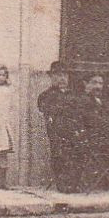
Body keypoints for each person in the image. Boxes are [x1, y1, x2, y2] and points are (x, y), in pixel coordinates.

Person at [36, 61, 78, 193]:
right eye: (58, 75)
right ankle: (62, 183)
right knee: (59, 152)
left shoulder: (73, 95)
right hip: (57, 131)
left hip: (74, 129)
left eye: (65, 75)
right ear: (51, 77)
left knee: (78, 151)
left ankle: (74, 182)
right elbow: (48, 111)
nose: (62, 78)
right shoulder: (46, 95)